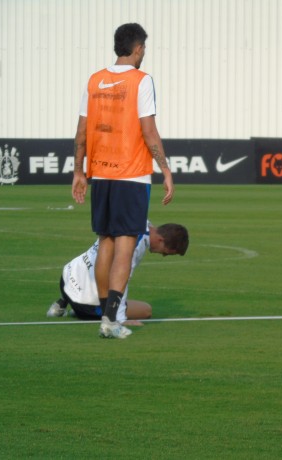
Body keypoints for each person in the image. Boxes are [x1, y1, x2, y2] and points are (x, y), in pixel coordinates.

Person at [71, 23, 174, 339]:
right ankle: (111, 321)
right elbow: (148, 130)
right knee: (125, 247)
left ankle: (107, 316)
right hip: (131, 174)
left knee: (106, 243)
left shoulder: (95, 80)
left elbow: (81, 130)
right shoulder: (141, 81)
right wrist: (166, 169)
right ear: (139, 47)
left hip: (100, 173)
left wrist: (79, 171)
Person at [47, 222, 189, 328]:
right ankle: (80, 312)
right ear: (160, 240)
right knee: (146, 310)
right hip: (86, 304)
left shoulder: (137, 220)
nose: (163, 255)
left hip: (66, 277)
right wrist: (120, 318)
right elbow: (121, 281)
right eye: (165, 252)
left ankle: (62, 303)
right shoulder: (135, 244)